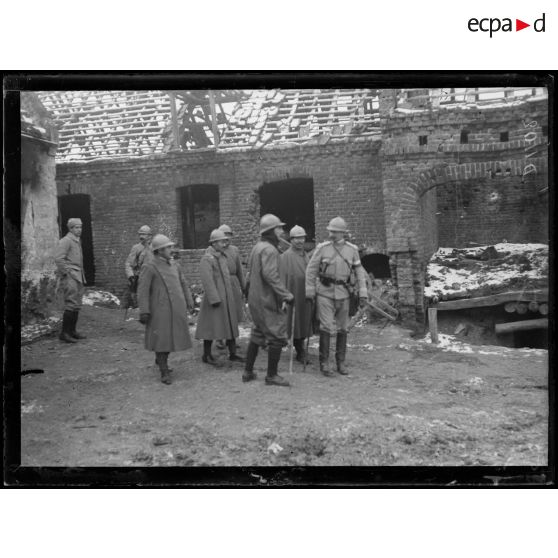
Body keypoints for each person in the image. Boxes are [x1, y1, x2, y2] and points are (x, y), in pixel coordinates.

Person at [305, 216, 368, 376]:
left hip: (344, 294)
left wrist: (363, 292)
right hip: (324, 293)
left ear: (342, 233)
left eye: (335, 232)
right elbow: (311, 270)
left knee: (343, 328)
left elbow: (359, 272)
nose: (332, 234)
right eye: (331, 231)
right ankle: (324, 363)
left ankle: (341, 363)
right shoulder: (322, 248)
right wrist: (310, 290)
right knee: (325, 327)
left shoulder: (352, 250)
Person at [243, 214, 294, 387]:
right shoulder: (270, 250)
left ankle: (247, 372)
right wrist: (286, 294)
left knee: (258, 333)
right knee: (277, 335)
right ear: (271, 231)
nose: (282, 231)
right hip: (266, 299)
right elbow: (270, 275)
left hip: (255, 298)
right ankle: (271, 376)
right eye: (278, 228)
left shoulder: (258, 247)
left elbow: (250, 274)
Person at [137, 234, 192, 385]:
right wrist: (144, 311)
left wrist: (189, 300)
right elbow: (142, 290)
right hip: (159, 310)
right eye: (168, 247)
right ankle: (163, 370)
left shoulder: (174, 265)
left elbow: (183, 283)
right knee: (162, 339)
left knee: (171, 338)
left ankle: (161, 361)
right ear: (159, 250)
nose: (171, 250)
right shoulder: (150, 266)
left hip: (176, 308)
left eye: (171, 247)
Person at [195, 229, 244, 365]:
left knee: (231, 324)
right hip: (215, 299)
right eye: (222, 241)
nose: (225, 244)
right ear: (214, 243)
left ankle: (233, 353)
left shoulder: (222, 256)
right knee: (211, 327)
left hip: (227, 297)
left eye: (225, 241)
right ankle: (206, 354)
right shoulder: (207, 258)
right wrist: (214, 298)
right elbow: (207, 280)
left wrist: (230, 295)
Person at [280, 225, 313, 365]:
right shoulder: (285, 257)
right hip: (293, 295)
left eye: (302, 238)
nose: (300, 241)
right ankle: (300, 351)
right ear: (291, 240)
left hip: (305, 294)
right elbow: (281, 279)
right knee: (295, 323)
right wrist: (283, 297)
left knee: (304, 322)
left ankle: (302, 347)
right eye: (296, 238)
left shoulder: (305, 254)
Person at [54, 217, 87, 343]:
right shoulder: (66, 241)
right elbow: (58, 258)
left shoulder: (77, 241)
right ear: (71, 228)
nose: (79, 230)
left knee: (77, 304)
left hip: (79, 275)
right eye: (76, 227)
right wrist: (67, 273)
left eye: (80, 227)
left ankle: (72, 331)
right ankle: (65, 333)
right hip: (71, 276)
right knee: (71, 303)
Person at [216, 224, 246, 349]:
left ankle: (231, 339)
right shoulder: (214, 249)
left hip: (233, 283)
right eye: (224, 235)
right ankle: (219, 338)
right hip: (221, 283)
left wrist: (244, 287)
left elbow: (239, 269)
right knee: (221, 312)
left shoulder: (234, 250)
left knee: (233, 312)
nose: (227, 238)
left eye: (229, 235)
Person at [124, 225, 153, 308]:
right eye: (140, 234)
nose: (141, 236)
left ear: (150, 236)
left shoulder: (154, 248)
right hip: (140, 277)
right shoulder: (136, 248)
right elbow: (129, 263)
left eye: (144, 234)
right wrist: (130, 276)